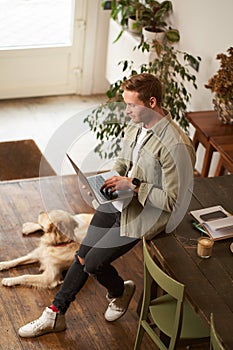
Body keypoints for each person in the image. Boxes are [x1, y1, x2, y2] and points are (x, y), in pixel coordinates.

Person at [18, 73, 196, 338]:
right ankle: (55, 313)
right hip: (120, 200)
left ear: (152, 102)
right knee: (82, 255)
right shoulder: (137, 125)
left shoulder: (177, 146)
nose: (126, 112)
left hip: (144, 215)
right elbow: (124, 161)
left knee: (91, 263)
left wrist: (134, 187)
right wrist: (107, 180)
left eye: (131, 105)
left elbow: (174, 201)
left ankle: (118, 292)